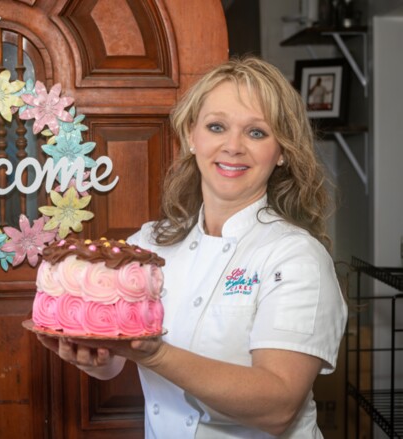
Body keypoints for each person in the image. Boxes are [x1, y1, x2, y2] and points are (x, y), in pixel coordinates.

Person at [37, 56, 348, 438]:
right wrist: (93, 357)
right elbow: (114, 361)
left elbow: (279, 407)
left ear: (281, 151)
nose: (232, 147)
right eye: (217, 126)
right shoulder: (147, 246)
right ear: (191, 135)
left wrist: (156, 354)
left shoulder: (297, 258)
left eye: (256, 133)